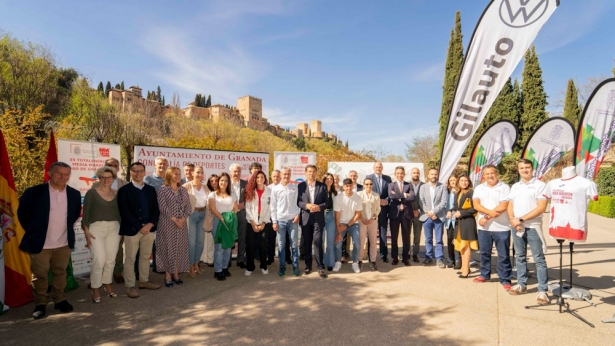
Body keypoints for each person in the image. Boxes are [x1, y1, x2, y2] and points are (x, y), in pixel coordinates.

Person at [18, 162, 81, 319]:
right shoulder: (34, 192)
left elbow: (73, 216)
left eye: (66, 174)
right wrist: (35, 231)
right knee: (40, 275)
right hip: (40, 243)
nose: (63, 177)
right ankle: (40, 303)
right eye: (59, 173)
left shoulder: (74, 194)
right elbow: (23, 215)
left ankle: (59, 300)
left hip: (63, 242)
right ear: (50, 173)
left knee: (60, 272)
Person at [507, 159, 549, 305]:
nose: (524, 170)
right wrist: (513, 219)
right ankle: (521, 284)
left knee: (538, 258)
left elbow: (541, 207)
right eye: (521, 168)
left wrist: (521, 219)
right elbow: (510, 205)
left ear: (532, 169)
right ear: (518, 170)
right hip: (517, 226)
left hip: (533, 227)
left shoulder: (540, 185)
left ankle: (543, 290)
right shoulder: (515, 186)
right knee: (519, 256)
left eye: (527, 167)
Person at [117, 162, 161, 298]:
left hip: (149, 229)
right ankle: (130, 286)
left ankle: (144, 281)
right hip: (132, 229)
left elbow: (155, 209)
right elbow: (124, 212)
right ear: (131, 172)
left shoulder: (150, 189)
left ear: (144, 172)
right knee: (130, 258)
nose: (138, 173)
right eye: (135, 171)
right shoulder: (124, 190)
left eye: (141, 171)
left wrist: (150, 224)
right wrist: (139, 226)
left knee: (145, 256)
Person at [82, 166, 121, 303]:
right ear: (99, 178)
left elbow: (120, 214)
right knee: (99, 258)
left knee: (110, 259)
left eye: (109, 177)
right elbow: (85, 214)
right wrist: (86, 230)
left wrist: (121, 231)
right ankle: (95, 288)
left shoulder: (117, 194)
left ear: (113, 178)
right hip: (96, 228)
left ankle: (107, 284)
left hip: (114, 228)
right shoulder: (92, 193)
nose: (106, 180)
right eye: (103, 177)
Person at [472, 165, 512, 290]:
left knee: (503, 255)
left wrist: (486, 217)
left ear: (497, 173)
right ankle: (485, 274)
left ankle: (505, 279)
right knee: (484, 253)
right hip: (484, 228)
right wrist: (490, 213)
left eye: (492, 173)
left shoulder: (504, 187)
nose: (490, 176)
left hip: (502, 227)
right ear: (483, 176)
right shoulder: (479, 188)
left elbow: (503, 205)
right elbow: (476, 205)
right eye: (487, 174)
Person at [91, 157, 127, 284]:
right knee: (99, 253)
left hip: (118, 222)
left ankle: (117, 272)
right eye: (109, 165)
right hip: (99, 223)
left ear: (118, 168)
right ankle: (97, 277)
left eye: (115, 165)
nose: (112, 167)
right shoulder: (95, 185)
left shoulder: (125, 184)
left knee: (117, 250)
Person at [157, 167, 192, 287]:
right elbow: (162, 207)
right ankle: (168, 274)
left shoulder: (183, 190)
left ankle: (176, 273)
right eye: (175, 174)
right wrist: (174, 219)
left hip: (181, 224)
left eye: (179, 174)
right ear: (169, 175)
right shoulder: (163, 189)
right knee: (168, 249)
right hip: (167, 224)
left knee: (178, 249)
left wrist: (182, 219)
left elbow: (188, 206)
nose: (177, 176)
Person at [298, 165, 328, 278]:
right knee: (307, 242)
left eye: (314, 171)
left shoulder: (322, 186)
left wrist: (318, 207)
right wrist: (307, 205)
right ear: (306, 173)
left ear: (316, 173)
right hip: (306, 218)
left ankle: (320, 267)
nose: (311, 173)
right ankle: (308, 266)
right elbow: (298, 202)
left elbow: (326, 203)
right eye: (309, 171)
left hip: (318, 219)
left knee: (318, 242)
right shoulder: (301, 186)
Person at [270, 167, 301, 277]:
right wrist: (274, 221)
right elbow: (273, 206)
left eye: (288, 174)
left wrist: (297, 214)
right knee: (282, 246)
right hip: (281, 221)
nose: (286, 176)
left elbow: (298, 202)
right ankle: (282, 266)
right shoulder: (275, 189)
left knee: (294, 245)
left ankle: (295, 266)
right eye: (285, 174)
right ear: (281, 175)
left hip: (293, 220)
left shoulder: (294, 187)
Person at [208, 172, 239, 280]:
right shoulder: (212, 194)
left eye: (226, 181)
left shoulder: (233, 194)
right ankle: (218, 270)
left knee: (228, 247)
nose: (223, 183)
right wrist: (222, 218)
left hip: (230, 222)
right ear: (218, 181)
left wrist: (229, 218)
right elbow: (212, 208)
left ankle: (225, 268)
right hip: (218, 221)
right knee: (219, 247)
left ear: (228, 182)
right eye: (221, 180)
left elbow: (235, 208)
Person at [418, 168, 448, 268]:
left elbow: (443, 202)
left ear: (437, 176)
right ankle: (429, 257)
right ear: (428, 175)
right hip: (426, 217)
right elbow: (421, 201)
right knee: (428, 239)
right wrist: (429, 213)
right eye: (431, 174)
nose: (433, 176)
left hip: (438, 217)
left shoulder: (442, 187)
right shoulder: (423, 187)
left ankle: (439, 259)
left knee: (439, 239)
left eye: (435, 174)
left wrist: (433, 212)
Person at [244, 171, 272, 275]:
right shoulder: (250, 191)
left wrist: (263, 223)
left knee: (263, 245)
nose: (260, 179)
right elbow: (248, 209)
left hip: (264, 221)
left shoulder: (269, 191)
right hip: (251, 221)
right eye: (258, 177)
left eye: (262, 177)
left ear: (265, 179)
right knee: (250, 245)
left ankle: (264, 266)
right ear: (254, 179)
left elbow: (269, 208)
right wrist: (253, 223)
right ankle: (250, 267)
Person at [333, 178, 363, 273]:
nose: (348, 188)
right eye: (346, 186)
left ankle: (355, 263)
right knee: (338, 244)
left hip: (353, 223)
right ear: (343, 187)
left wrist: (347, 226)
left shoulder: (357, 198)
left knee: (357, 244)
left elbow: (358, 215)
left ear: (353, 186)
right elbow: (337, 217)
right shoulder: (338, 198)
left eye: (350, 185)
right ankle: (338, 262)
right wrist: (338, 232)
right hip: (341, 223)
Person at [183, 166, 208, 278]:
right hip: (191, 216)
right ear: (192, 173)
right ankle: (190, 266)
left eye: (201, 173)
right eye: (197, 172)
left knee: (200, 243)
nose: (199, 174)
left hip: (202, 215)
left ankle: (196, 263)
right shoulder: (186, 186)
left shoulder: (205, 187)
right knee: (191, 243)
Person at [388, 166, 415, 266]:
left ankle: (405, 258)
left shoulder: (409, 184)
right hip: (394, 214)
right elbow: (391, 196)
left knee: (406, 237)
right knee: (394, 237)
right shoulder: (391, 185)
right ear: (395, 174)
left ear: (404, 174)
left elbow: (412, 197)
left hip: (406, 214)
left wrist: (399, 195)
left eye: (401, 173)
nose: (400, 175)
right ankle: (395, 257)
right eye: (398, 173)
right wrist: (405, 195)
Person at [452, 173, 478, 278]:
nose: (464, 182)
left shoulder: (471, 192)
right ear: (458, 182)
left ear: (469, 182)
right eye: (462, 180)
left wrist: (461, 213)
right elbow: (456, 207)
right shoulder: (458, 193)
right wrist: (451, 211)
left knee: (466, 246)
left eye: (466, 180)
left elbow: (474, 208)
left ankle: (466, 271)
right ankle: (464, 267)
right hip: (459, 222)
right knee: (461, 246)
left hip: (468, 222)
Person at [366, 162, 391, 263]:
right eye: (376, 167)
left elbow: (391, 192)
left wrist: (387, 200)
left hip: (384, 209)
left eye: (380, 167)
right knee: (370, 233)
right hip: (372, 210)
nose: (378, 168)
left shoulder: (388, 179)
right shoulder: (369, 177)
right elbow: (367, 192)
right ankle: (370, 255)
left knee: (383, 232)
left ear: (382, 168)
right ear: (373, 168)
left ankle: (383, 254)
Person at [357, 177, 381, 271]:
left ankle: (373, 260)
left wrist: (373, 218)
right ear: (363, 185)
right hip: (361, 220)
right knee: (361, 241)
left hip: (372, 221)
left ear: (373, 185)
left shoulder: (376, 195)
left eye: (370, 184)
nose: (369, 186)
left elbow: (378, 209)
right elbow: (356, 208)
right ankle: (359, 260)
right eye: (367, 184)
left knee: (373, 241)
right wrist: (362, 218)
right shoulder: (358, 195)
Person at [342, 170, 363, 262]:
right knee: (344, 238)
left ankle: (358, 257)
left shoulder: (362, 188)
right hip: (345, 216)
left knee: (357, 239)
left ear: (357, 177)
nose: (353, 177)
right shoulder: (342, 188)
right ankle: (344, 255)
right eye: (351, 176)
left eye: (354, 176)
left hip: (358, 217)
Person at [229, 163, 248, 269]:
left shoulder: (245, 183)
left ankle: (240, 259)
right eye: (235, 171)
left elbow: (249, 197)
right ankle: (227, 260)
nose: (236, 173)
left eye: (238, 171)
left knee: (242, 236)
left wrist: (243, 204)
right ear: (231, 172)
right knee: (229, 237)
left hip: (242, 213)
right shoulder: (226, 183)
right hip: (230, 213)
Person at [201, 175, 219, 267]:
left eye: (216, 180)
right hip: (208, 218)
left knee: (217, 241)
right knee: (209, 241)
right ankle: (209, 259)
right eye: (212, 181)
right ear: (209, 182)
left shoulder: (222, 192)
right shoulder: (206, 191)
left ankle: (216, 259)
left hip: (219, 219)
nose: (214, 182)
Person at [322, 173, 338, 271]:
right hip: (321, 216)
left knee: (330, 241)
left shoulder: (334, 192)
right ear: (324, 180)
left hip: (331, 216)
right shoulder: (319, 191)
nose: (329, 180)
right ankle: (322, 262)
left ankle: (330, 263)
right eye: (327, 178)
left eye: (331, 179)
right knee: (322, 241)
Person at [444, 174, 461, 269]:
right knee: (450, 239)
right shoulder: (447, 193)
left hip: (458, 219)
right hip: (449, 219)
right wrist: (447, 211)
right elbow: (444, 205)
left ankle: (459, 259)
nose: (453, 182)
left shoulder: (460, 192)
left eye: (454, 180)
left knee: (458, 239)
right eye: (451, 181)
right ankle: (451, 259)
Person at [266, 170, 282, 265]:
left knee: (283, 238)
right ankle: (270, 256)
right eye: (274, 176)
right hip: (271, 216)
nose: (276, 178)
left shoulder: (284, 187)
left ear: (280, 177)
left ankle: (286, 257)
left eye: (277, 176)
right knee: (271, 238)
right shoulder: (267, 188)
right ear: (271, 177)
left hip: (282, 216)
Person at [409, 167, 423, 263]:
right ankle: (407, 252)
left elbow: (426, 201)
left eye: (417, 173)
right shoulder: (406, 185)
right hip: (407, 214)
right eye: (414, 172)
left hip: (419, 214)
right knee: (407, 235)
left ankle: (415, 253)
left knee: (417, 235)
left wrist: (419, 210)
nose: (416, 174)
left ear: (419, 174)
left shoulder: (424, 185)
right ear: (411, 174)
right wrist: (410, 210)